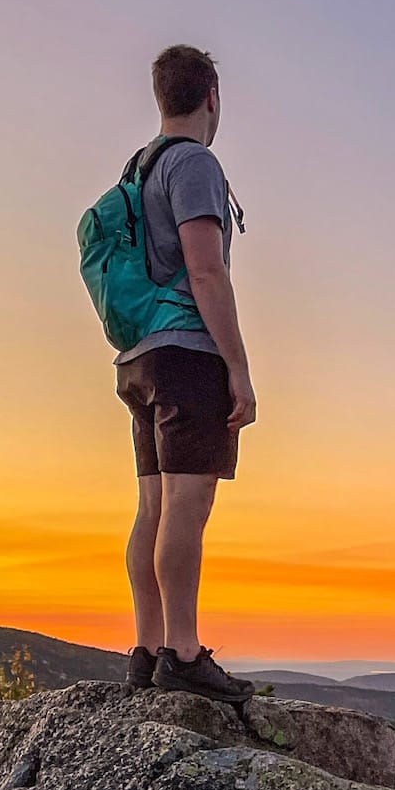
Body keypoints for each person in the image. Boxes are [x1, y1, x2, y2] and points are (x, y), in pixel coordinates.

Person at [114, 43, 257, 702]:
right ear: (211, 99)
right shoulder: (195, 162)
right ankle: (185, 653)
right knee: (188, 507)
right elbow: (206, 268)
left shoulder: (137, 168)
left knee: (152, 505)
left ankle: (146, 649)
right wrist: (237, 366)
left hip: (139, 356)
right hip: (186, 352)